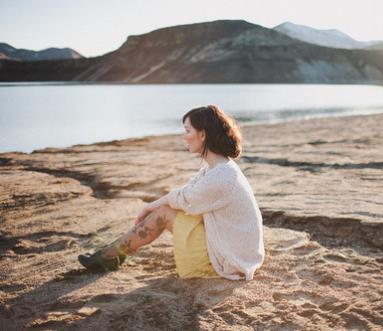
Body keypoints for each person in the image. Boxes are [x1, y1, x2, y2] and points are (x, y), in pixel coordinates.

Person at [78, 105, 265, 281]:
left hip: (232, 259)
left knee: (164, 214)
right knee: (167, 209)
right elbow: (186, 195)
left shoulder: (223, 174)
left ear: (202, 135)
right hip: (233, 247)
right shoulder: (217, 168)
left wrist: (150, 207)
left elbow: (185, 198)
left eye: (187, 131)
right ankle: (112, 253)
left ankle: (109, 255)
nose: (184, 137)